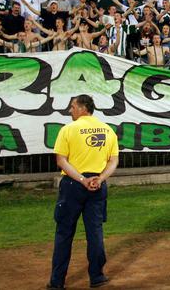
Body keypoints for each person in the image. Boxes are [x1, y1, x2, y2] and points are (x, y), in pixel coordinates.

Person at [48, 95, 119, 289]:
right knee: (95, 232)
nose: (70, 110)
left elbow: (61, 161)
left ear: (82, 108)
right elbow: (113, 161)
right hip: (97, 184)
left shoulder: (68, 130)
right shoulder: (107, 130)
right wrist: (100, 179)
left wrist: (81, 180)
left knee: (64, 233)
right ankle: (96, 276)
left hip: (73, 185)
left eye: (72, 107)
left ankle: (57, 281)